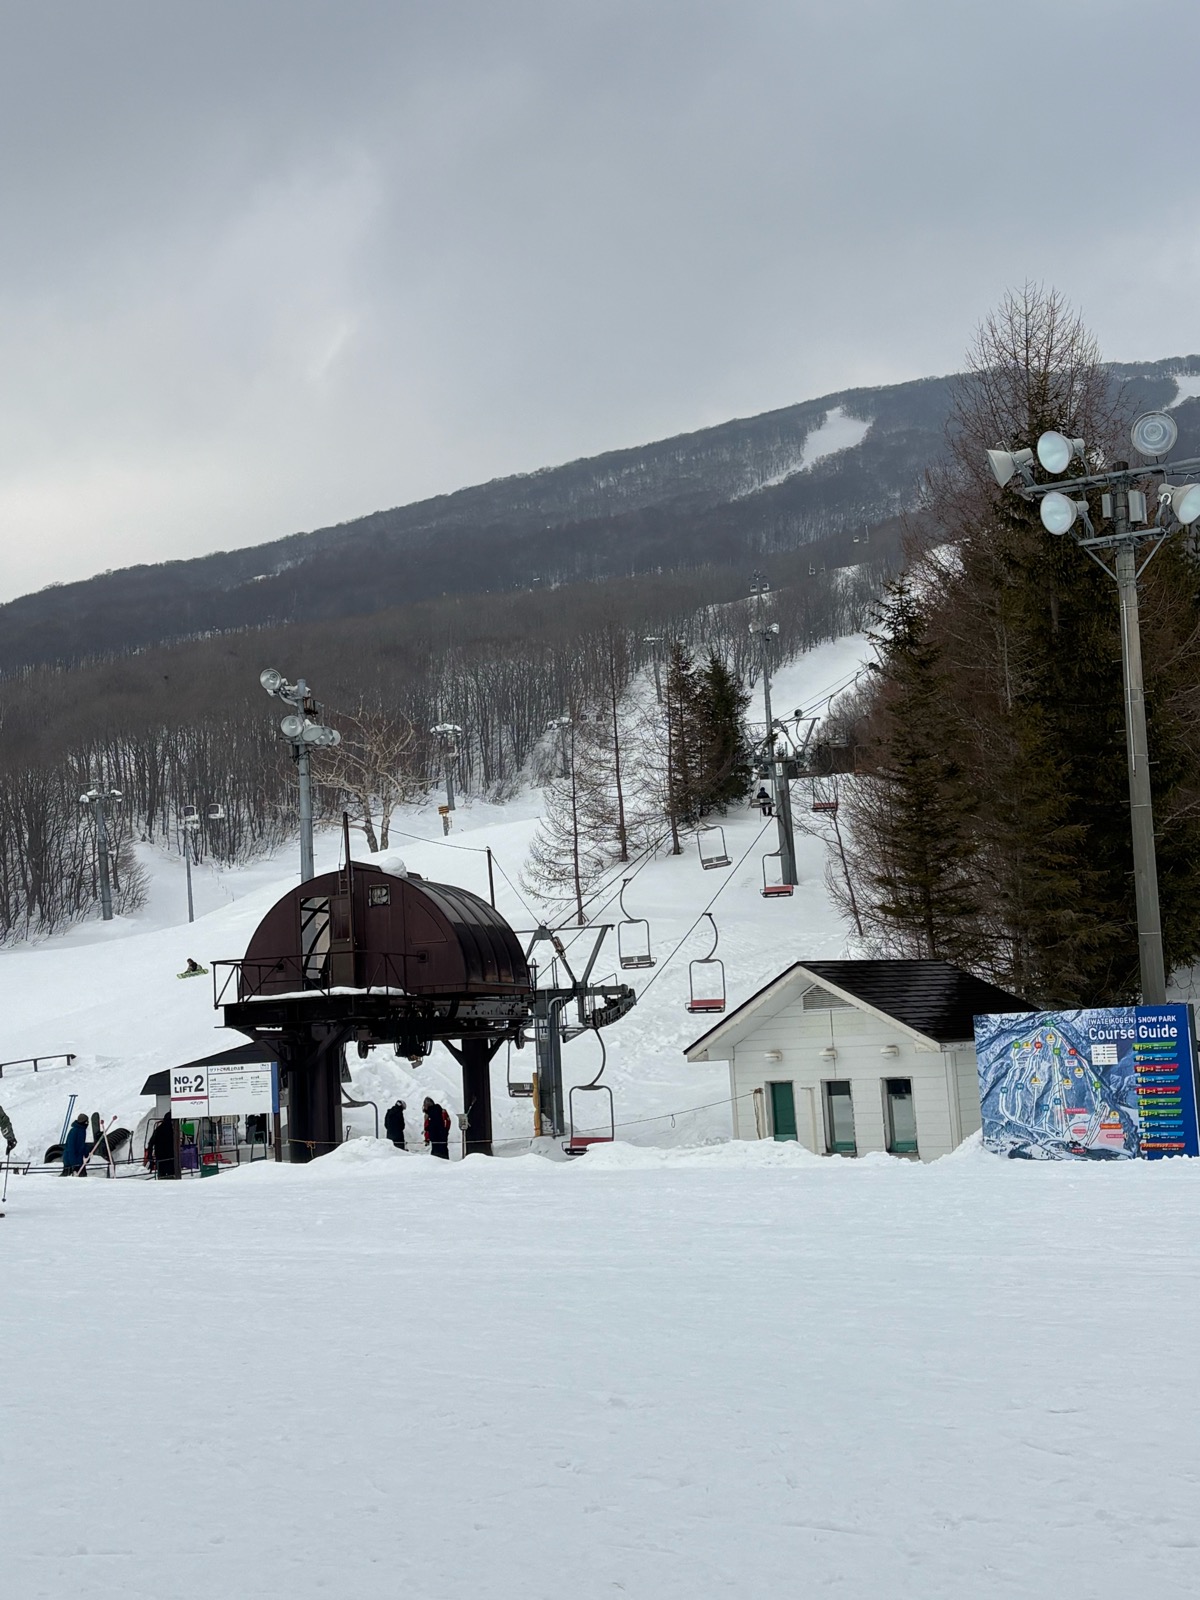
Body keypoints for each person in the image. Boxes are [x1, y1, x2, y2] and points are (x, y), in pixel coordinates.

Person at [146, 1111, 180, 1179]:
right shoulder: (173, 1131)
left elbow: (150, 1143)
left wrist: (150, 1157)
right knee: (171, 1176)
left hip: (160, 1157)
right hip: (171, 1157)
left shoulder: (159, 1129)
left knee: (162, 1177)